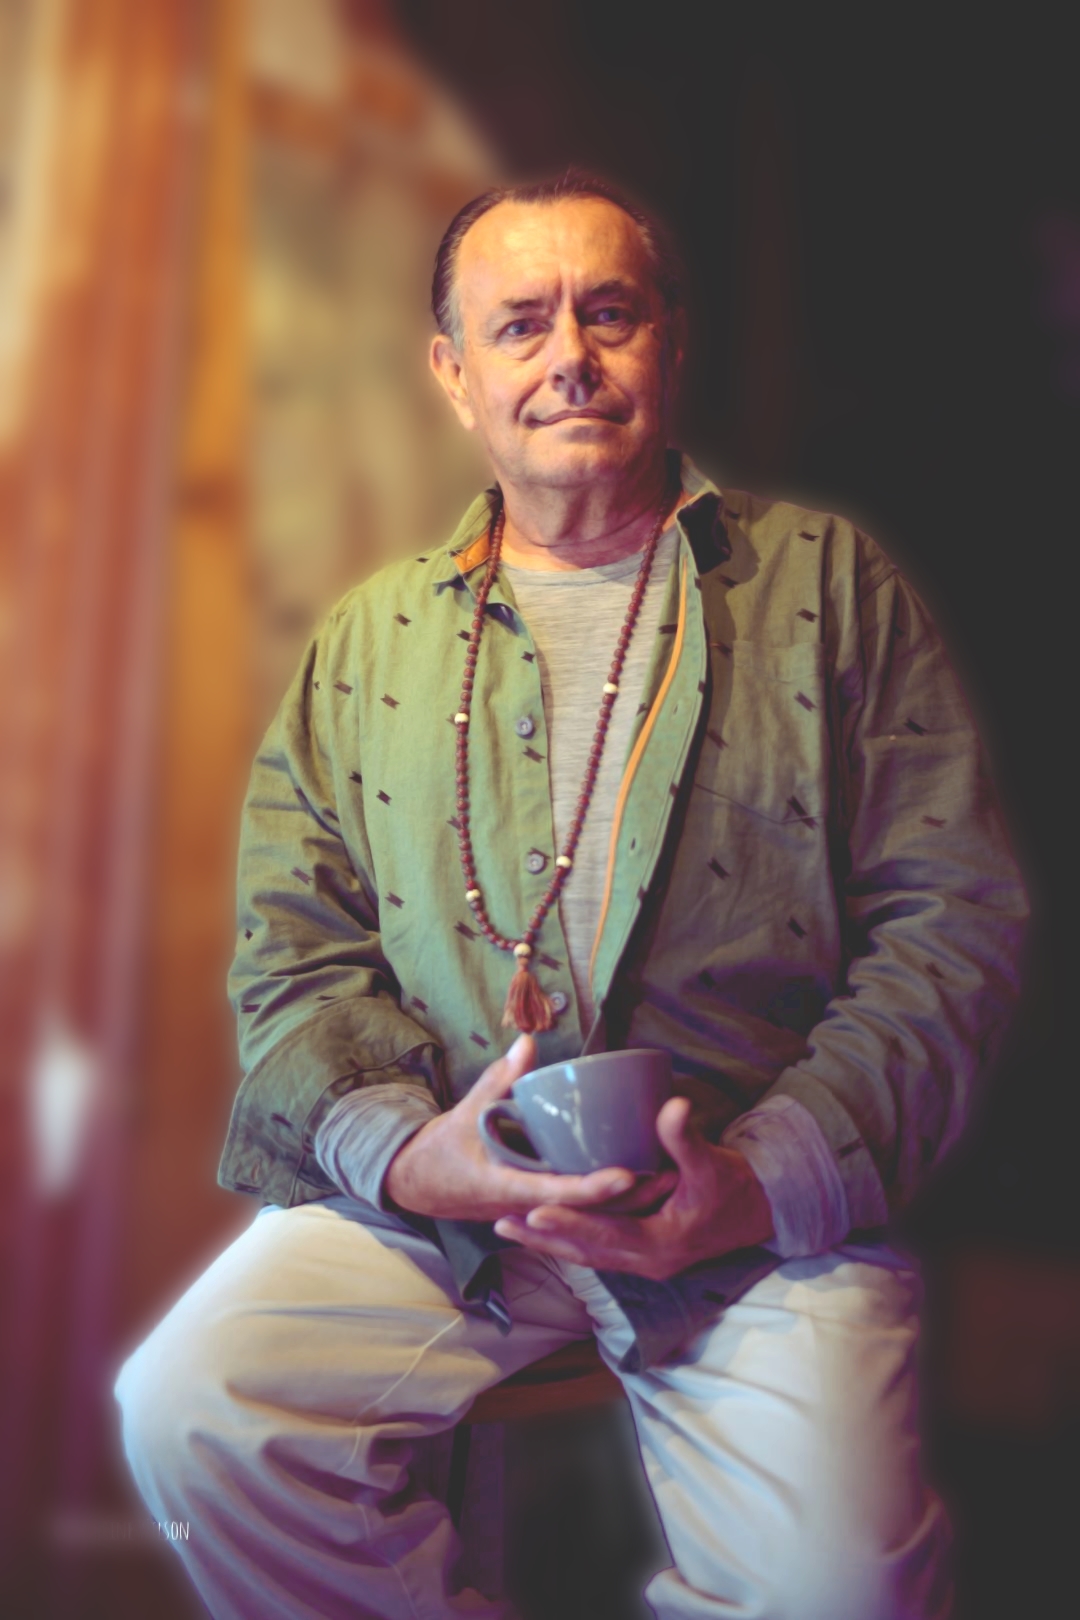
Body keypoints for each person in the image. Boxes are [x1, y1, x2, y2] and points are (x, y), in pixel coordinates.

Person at [116, 170, 1027, 1619]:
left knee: (841, 1590)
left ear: (670, 336)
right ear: (453, 370)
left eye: (609, 313)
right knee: (197, 1409)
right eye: (520, 323)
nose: (567, 359)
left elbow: (954, 928)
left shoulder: (830, 585)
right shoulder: (365, 640)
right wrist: (411, 1159)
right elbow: (290, 958)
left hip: (747, 1204)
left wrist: (757, 1181)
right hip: (450, 1208)